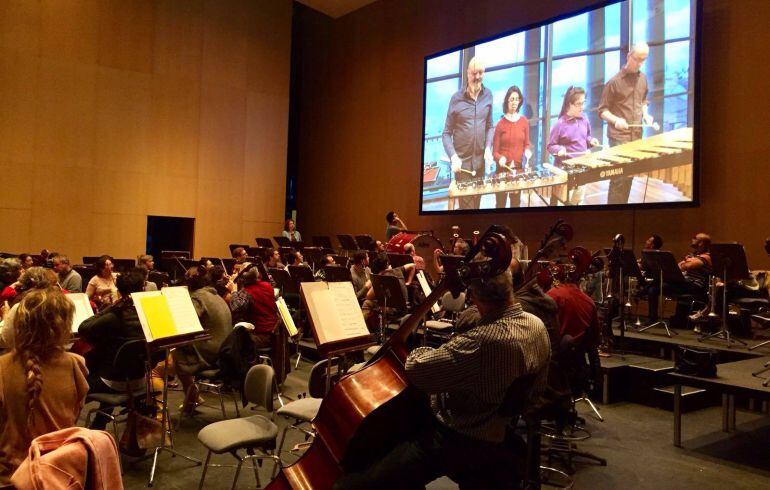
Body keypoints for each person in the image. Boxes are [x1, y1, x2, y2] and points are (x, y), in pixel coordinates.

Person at [334, 272, 551, 489]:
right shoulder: (536, 326)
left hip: (459, 439)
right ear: (510, 290)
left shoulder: (484, 341)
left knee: (357, 484)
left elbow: (417, 369)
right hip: (502, 430)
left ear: (474, 297)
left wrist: (422, 349)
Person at [0, 288, 89, 485]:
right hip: (60, 472)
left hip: (12, 476)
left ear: (19, 324)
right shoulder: (76, 363)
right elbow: (74, 414)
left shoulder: (2, 367)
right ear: (63, 326)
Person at [78, 268, 149, 429]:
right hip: (140, 378)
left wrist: (112, 306)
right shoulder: (147, 314)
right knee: (113, 367)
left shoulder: (114, 316)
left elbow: (84, 328)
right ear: (142, 289)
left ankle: (73, 431)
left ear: (119, 291)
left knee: (76, 382)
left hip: (114, 382)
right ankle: (99, 424)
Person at [599, 42, 654, 204]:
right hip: (618, 137)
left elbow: (643, 102)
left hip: (636, 136)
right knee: (618, 179)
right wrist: (616, 120)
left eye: (644, 60)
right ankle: (612, 216)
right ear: (629, 56)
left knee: (629, 177)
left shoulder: (643, 79)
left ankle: (623, 211)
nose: (640, 63)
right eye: (637, 59)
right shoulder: (614, 82)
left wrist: (646, 115)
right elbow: (602, 111)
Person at [172, 267, 233, 408]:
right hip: (225, 350)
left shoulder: (198, 297)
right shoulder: (215, 295)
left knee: (177, 355)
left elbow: (186, 321)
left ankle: (191, 398)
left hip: (212, 353)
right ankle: (193, 396)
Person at [442, 56, 495, 210]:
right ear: (467, 73)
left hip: (480, 164)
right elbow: (446, 133)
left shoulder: (489, 95)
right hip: (462, 165)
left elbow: (490, 126)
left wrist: (488, 148)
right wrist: (453, 156)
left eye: (480, 72)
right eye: (474, 73)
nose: (477, 77)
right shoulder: (456, 99)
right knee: (467, 209)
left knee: (476, 208)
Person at [547, 86, 600, 205]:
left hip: (581, 168)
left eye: (583, 103)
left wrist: (591, 141)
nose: (582, 107)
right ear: (569, 104)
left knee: (578, 202)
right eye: (578, 104)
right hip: (565, 171)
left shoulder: (584, 119)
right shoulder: (560, 124)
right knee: (563, 204)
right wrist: (560, 149)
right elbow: (550, 146)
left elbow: (586, 137)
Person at [647, 233, 711, 323]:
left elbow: (687, 266)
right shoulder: (693, 255)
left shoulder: (707, 256)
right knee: (653, 288)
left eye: (694, 238)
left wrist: (686, 262)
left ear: (701, 243)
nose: (692, 239)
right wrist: (687, 261)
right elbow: (677, 266)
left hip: (694, 286)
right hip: (684, 283)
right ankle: (652, 318)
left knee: (657, 282)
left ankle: (641, 291)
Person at [492, 85, 532, 208]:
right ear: (507, 102)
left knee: (515, 205)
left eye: (517, 99)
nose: (514, 102)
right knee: (500, 205)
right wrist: (500, 158)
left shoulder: (524, 121)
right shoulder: (500, 124)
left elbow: (526, 144)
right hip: (502, 171)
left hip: (518, 170)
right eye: (511, 99)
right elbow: (495, 153)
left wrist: (527, 151)